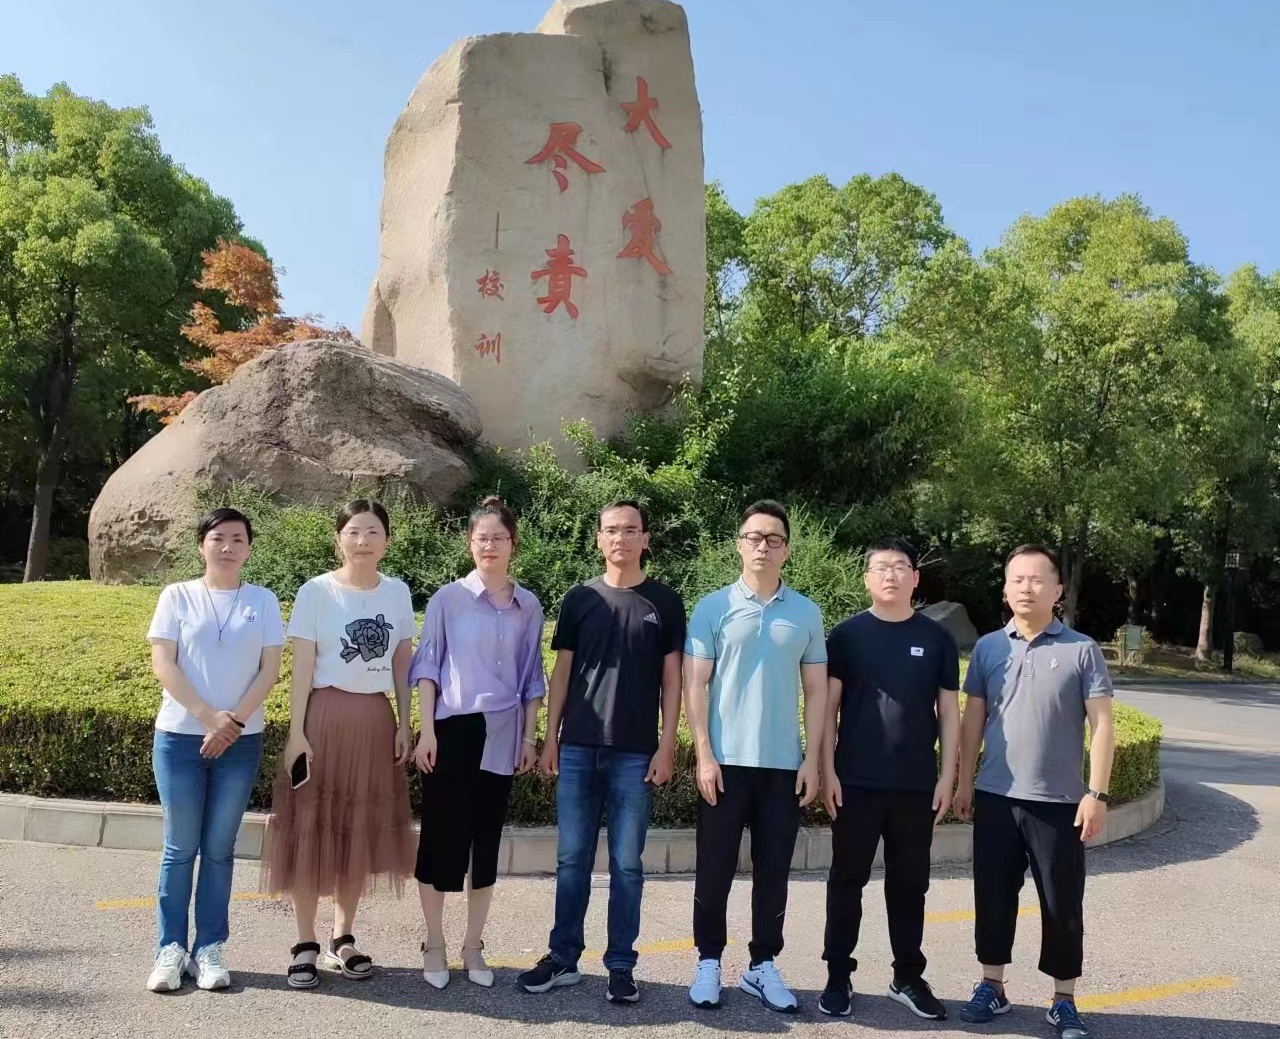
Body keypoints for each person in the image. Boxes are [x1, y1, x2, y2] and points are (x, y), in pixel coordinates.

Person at [516, 499, 685, 1005]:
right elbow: (562, 674)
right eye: (611, 530)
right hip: (577, 748)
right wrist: (550, 738)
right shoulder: (579, 598)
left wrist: (668, 745)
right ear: (598, 539)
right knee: (571, 860)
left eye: (631, 530)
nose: (621, 538)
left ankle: (621, 966)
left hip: (635, 753)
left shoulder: (665, 602)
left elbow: (673, 681)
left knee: (627, 865)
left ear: (645, 539)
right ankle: (563, 958)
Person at [954, 544, 1115, 1039]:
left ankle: (1063, 998)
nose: (1026, 587)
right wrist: (963, 782)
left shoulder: (1081, 649)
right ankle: (992, 986)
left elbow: (1102, 725)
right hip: (996, 797)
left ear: (1057, 590)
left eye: (1037, 579)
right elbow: (973, 720)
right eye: (1017, 579)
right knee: (993, 897)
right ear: (1005, 589)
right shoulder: (988, 648)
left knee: (1061, 903)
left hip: (1060, 804)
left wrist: (1097, 794)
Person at [262, 499, 418, 989]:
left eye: (373, 532)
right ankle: (304, 943)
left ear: (386, 541)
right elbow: (302, 669)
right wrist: (297, 733)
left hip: (375, 719)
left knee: (357, 829)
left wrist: (405, 723)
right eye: (353, 531)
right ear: (338, 539)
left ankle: (343, 938)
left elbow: (402, 665)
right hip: (324, 718)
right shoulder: (316, 592)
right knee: (312, 827)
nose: (363, 540)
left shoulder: (397, 593)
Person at [684, 500, 827, 1014]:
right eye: (754, 537)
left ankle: (762, 964)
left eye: (773, 539)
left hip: (783, 766)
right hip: (725, 764)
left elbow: (817, 692)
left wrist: (812, 759)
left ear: (787, 549)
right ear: (739, 544)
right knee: (714, 868)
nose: (763, 546)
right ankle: (708, 961)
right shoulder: (712, 608)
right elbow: (694, 686)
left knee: (774, 872)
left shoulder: (806, 612)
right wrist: (704, 755)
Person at [817, 536, 959, 1021]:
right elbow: (828, 709)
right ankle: (838, 975)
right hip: (854, 782)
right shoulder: (846, 635)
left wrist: (947, 776)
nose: (891, 574)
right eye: (881, 567)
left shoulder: (937, 638)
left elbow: (949, 712)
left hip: (916, 785)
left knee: (909, 885)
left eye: (900, 566)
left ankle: (907, 977)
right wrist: (826, 770)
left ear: (915, 578)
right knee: (846, 882)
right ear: (867, 579)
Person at [145, 508, 284, 993]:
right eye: (218, 537)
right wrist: (210, 718)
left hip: (240, 743)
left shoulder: (263, 600)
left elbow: (269, 670)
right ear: (201, 544)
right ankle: (170, 949)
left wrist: (233, 724)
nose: (227, 546)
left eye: (238, 539)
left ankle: (208, 948)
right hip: (179, 737)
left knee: (220, 849)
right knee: (179, 849)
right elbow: (163, 664)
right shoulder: (176, 596)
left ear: (249, 548)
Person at [410, 496, 546, 989]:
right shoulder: (448, 599)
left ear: (513, 544)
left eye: (499, 538)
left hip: (504, 731)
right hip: (452, 730)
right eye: (481, 538)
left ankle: (472, 945)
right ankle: (434, 943)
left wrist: (529, 735)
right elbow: (428, 666)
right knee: (440, 839)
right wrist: (426, 730)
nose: (490, 546)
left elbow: (532, 676)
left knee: (484, 842)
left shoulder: (528, 605)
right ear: (469, 543)